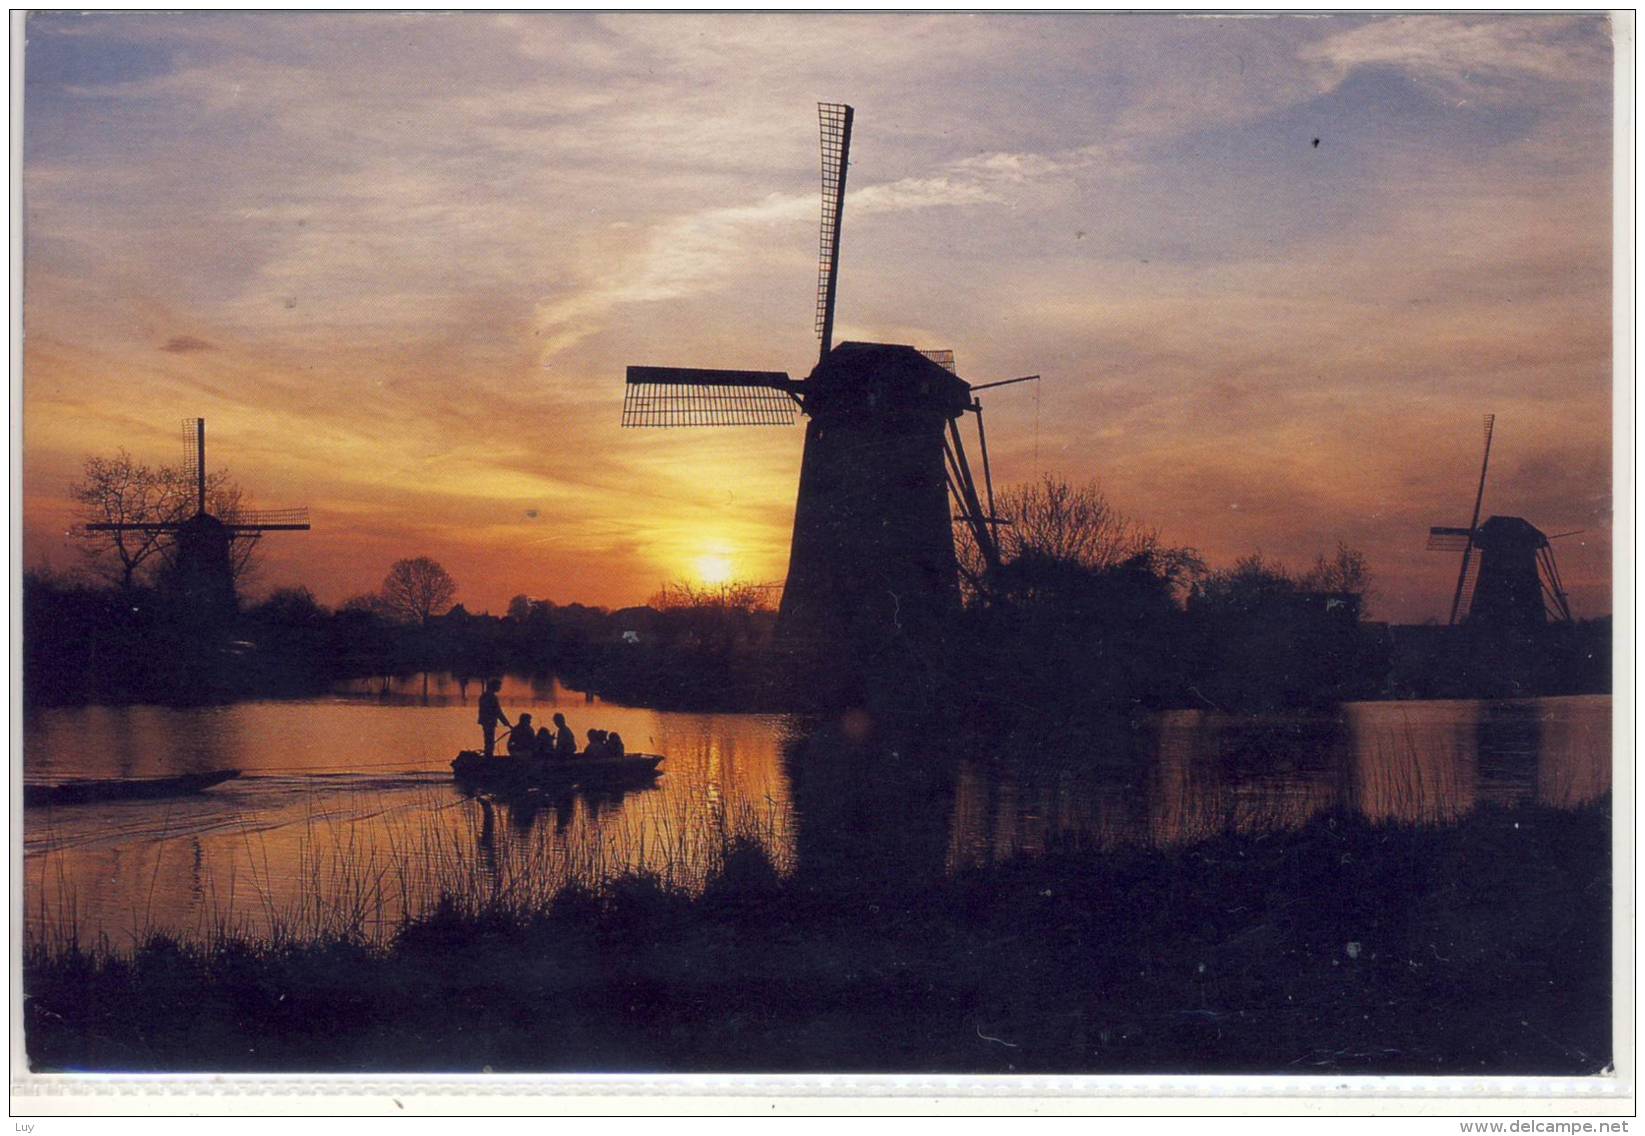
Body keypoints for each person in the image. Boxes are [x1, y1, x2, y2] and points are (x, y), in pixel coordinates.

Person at [477, 679, 511, 758]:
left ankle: (488, 755)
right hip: (489, 721)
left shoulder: (484, 695)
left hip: (486, 721)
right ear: (494, 686)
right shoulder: (491, 697)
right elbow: (498, 712)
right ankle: (489, 757)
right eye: (498, 686)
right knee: (489, 740)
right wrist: (507, 724)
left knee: (488, 740)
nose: (500, 688)